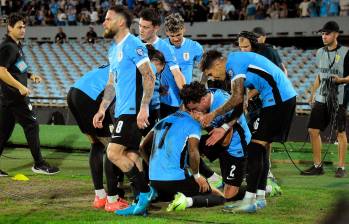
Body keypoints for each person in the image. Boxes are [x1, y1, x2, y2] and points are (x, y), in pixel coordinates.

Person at [200, 50, 297, 213]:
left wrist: (214, 113)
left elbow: (237, 98)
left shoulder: (233, 64)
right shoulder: (236, 67)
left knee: (254, 148)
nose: (212, 78)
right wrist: (224, 126)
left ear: (217, 64)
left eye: (211, 73)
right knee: (260, 149)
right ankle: (259, 198)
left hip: (279, 98)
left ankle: (250, 200)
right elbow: (240, 104)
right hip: (278, 99)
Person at [92, 5, 156, 216]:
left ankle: (145, 193)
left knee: (113, 152)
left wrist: (144, 107)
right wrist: (102, 109)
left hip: (132, 110)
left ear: (121, 22)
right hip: (120, 110)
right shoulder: (113, 49)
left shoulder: (133, 44)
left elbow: (149, 76)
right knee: (130, 154)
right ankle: (141, 200)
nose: (104, 22)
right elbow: (111, 84)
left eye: (108, 19)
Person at [0, 13, 59, 176]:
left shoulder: (15, 45)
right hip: (15, 95)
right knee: (32, 125)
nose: (23, 29)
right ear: (9, 27)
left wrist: (30, 75)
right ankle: (39, 164)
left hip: (7, 97)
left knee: (3, 132)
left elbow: (17, 66)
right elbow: (1, 71)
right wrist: (20, 86)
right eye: (19, 27)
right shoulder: (8, 46)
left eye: (24, 26)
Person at [141, 106, 225, 211]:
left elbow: (142, 147)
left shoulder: (163, 120)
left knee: (170, 194)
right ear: (194, 111)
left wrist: (151, 166)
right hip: (176, 180)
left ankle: (163, 197)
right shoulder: (192, 123)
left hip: (154, 180)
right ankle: (186, 201)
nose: (207, 116)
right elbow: (193, 152)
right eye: (204, 112)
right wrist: (197, 176)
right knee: (219, 197)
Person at [67, 64, 127, 212]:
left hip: (74, 93)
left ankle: (100, 196)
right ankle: (112, 199)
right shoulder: (131, 66)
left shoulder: (116, 61)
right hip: (91, 97)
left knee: (96, 143)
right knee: (112, 147)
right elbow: (113, 90)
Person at [180, 81, 252, 201]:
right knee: (188, 148)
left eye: (194, 109)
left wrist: (202, 122)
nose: (193, 113)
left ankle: (258, 188)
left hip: (236, 144)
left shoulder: (222, 104)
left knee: (228, 196)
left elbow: (225, 142)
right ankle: (212, 177)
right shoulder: (205, 97)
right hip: (218, 139)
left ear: (203, 100)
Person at [302, 21, 349, 178]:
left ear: (336, 34)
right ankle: (317, 166)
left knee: (340, 133)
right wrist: (312, 93)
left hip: (339, 99)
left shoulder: (346, 52)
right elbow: (320, 75)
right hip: (321, 98)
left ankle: (341, 167)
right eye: (322, 33)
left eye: (327, 33)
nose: (324, 36)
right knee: (313, 130)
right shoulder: (319, 52)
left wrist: (341, 80)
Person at [138, 8, 186, 118]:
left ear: (156, 28)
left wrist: (187, 98)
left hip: (158, 102)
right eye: (140, 25)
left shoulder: (166, 48)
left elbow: (177, 74)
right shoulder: (133, 44)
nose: (141, 30)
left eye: (145, 27)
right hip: (135, 100)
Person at [164, 13, 203, 84]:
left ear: (183, 29)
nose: (176, 39)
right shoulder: (161, 46)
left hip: (186, 93)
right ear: (167, 32)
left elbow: (207, 68)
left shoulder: (194, 46)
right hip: (165, 94)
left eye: (178, 35)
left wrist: (202, 85)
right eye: (172, 36)